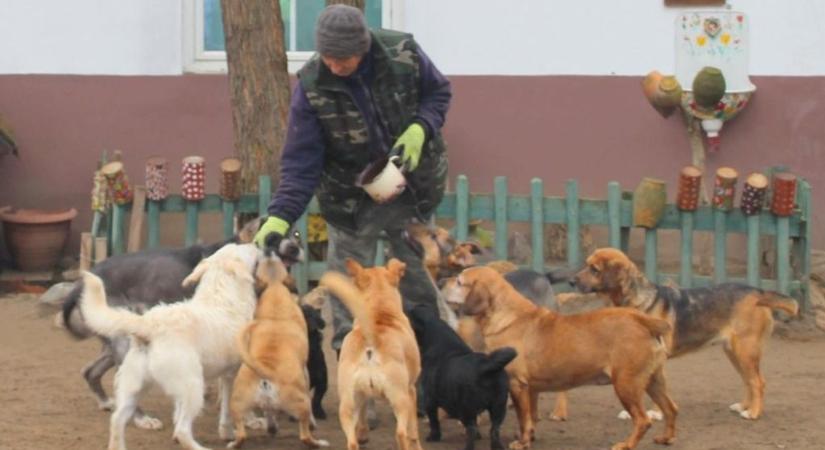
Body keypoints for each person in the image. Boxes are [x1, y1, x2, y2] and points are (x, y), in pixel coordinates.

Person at [254, 4, 452, 355]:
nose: (334, 65)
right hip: (349, 198)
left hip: (408, 186)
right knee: (345, 282)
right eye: (327, 56)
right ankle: (352, 359)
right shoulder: (312, 85)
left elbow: (438, 93)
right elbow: (301, 162)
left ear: (362, 48)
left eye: (342, 58)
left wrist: (421, 129)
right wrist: (280, 217)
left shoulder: (403, 53)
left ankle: (428, 361)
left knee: (415, 277)